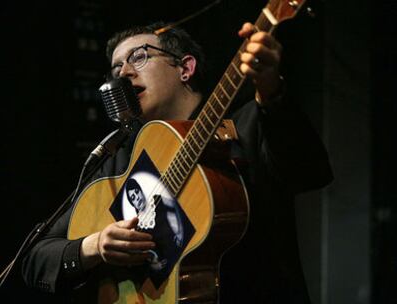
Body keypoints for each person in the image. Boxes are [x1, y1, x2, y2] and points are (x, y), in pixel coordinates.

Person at [21, 20, 333, 303]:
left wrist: (271, 90)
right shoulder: (120, 162)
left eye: (139, 57)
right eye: (116, 68)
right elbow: (36, 258)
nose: (124, 73)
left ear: (185, 68)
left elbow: (311, 173)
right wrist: (94, 246)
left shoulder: (245, 126)